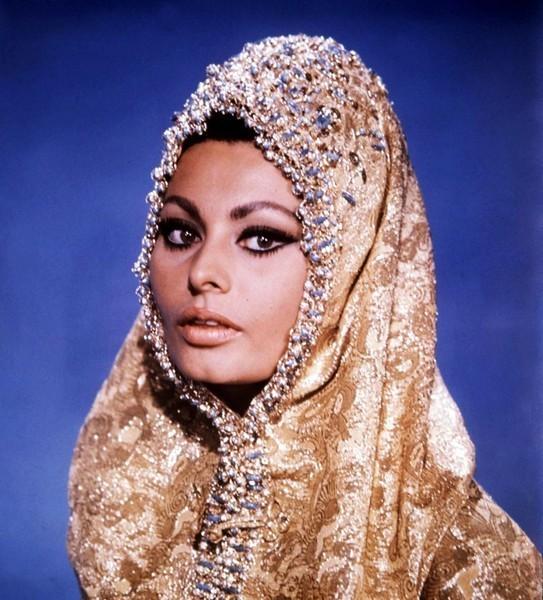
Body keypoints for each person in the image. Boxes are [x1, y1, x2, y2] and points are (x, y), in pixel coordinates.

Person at [67, 34, 542, 598]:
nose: (202, 273)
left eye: (262, 238)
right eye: (180, 232)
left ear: (349, 264)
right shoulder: (126, 485)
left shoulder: (462, 560)